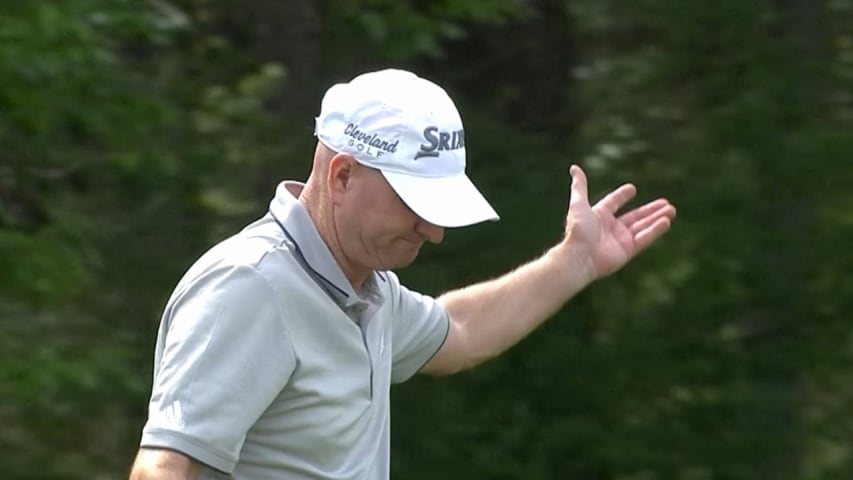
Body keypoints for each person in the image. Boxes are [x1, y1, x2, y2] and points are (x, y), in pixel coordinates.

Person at [129, 69, 676, 480]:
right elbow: (163, 468)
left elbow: (458, 333)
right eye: (414, 203)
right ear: (342, 176)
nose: (433, 232)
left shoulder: (366, 289)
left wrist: (572, 263)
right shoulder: (250, 286)